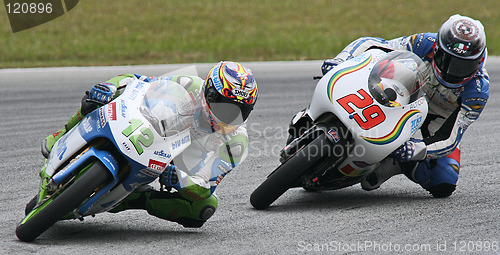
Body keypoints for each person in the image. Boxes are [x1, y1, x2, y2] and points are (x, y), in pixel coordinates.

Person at [41, 61, 258, 227]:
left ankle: (133, 198)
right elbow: (138, 82)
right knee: (94, 100)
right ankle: (63, 133)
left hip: (182, 162)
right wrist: (109, 88)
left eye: (240, 111)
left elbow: (205, 186)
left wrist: (181, 180)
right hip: (160, 129)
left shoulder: (237, 142)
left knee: (204, 208)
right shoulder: (189, 84)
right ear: (208, 93)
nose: (230, 116)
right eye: (225, 107)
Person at [319, 14, 489, 197]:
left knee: (444, 181)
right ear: (437, 49)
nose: (450, 71)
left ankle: (395, 163)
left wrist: (415, 149)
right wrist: (341, 61)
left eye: (461, 67)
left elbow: (451, 138)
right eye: (447, 60)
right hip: (406, 91)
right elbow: (374, 45)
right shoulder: (424, 42)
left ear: (478, 63)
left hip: (438, 119)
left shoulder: (478, 91)